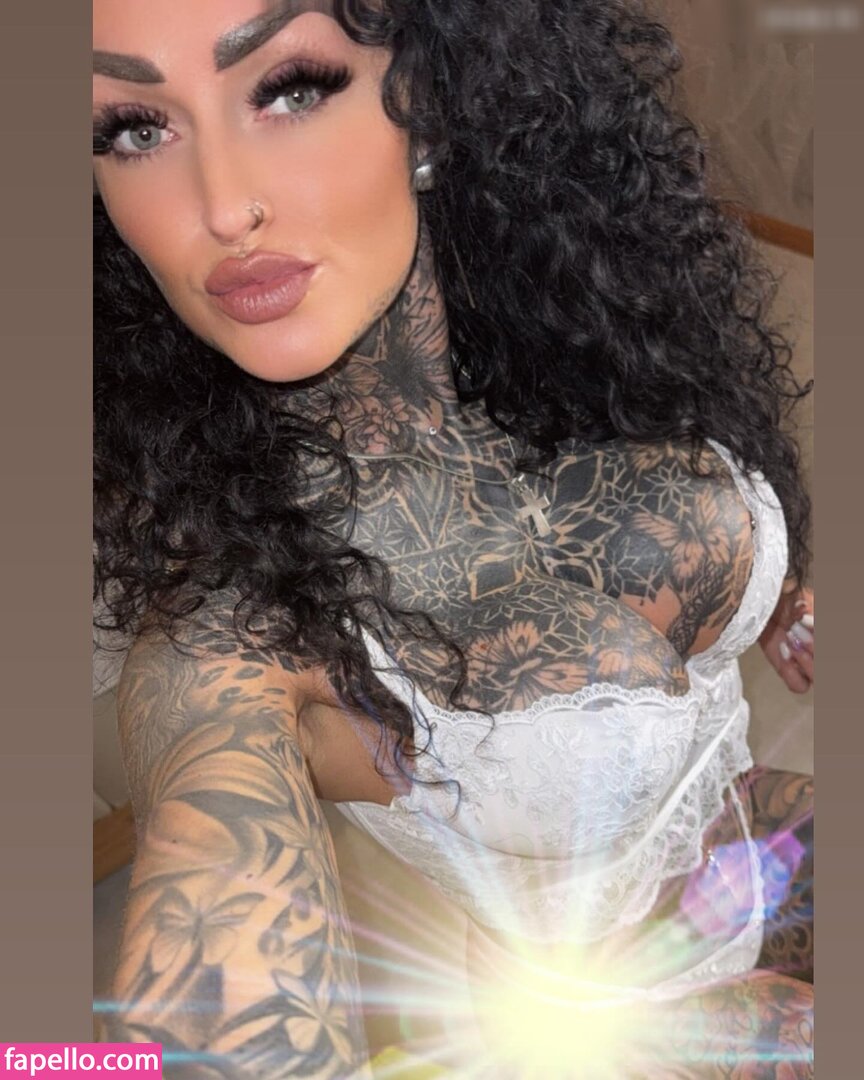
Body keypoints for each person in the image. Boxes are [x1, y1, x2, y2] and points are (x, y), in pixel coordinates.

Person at [93, 0, 814, 1075]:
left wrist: (781, 593)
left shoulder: (586, 339)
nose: (224, 205)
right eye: (133, 129)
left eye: (289, 89)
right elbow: (216, 1021)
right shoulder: (229, 643)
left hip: (762, 837)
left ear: (426, 98)